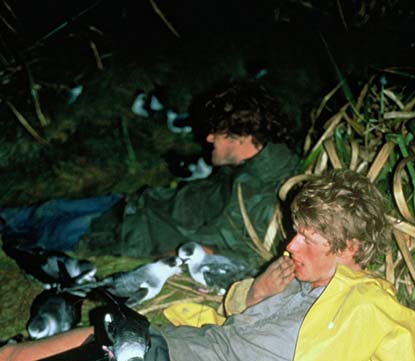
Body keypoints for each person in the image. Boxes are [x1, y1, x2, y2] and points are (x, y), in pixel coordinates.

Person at [1, 170, 415, 361]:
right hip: (165, 341)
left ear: (350, 248)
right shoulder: (299, 277)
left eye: (309, 237)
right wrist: (257, 291)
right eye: (296, 231)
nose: (291, 245)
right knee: (13, 358)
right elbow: (233, 318)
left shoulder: (374, 307)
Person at [76, 79, 299, 263]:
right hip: (139, 204)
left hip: (130, 230)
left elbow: (245, 256)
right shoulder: (254, 166)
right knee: (46, 210)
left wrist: (173, 258)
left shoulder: (260, 194)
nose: (209, 138)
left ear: (242, 138)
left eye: (218, 133)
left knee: (48, 227)